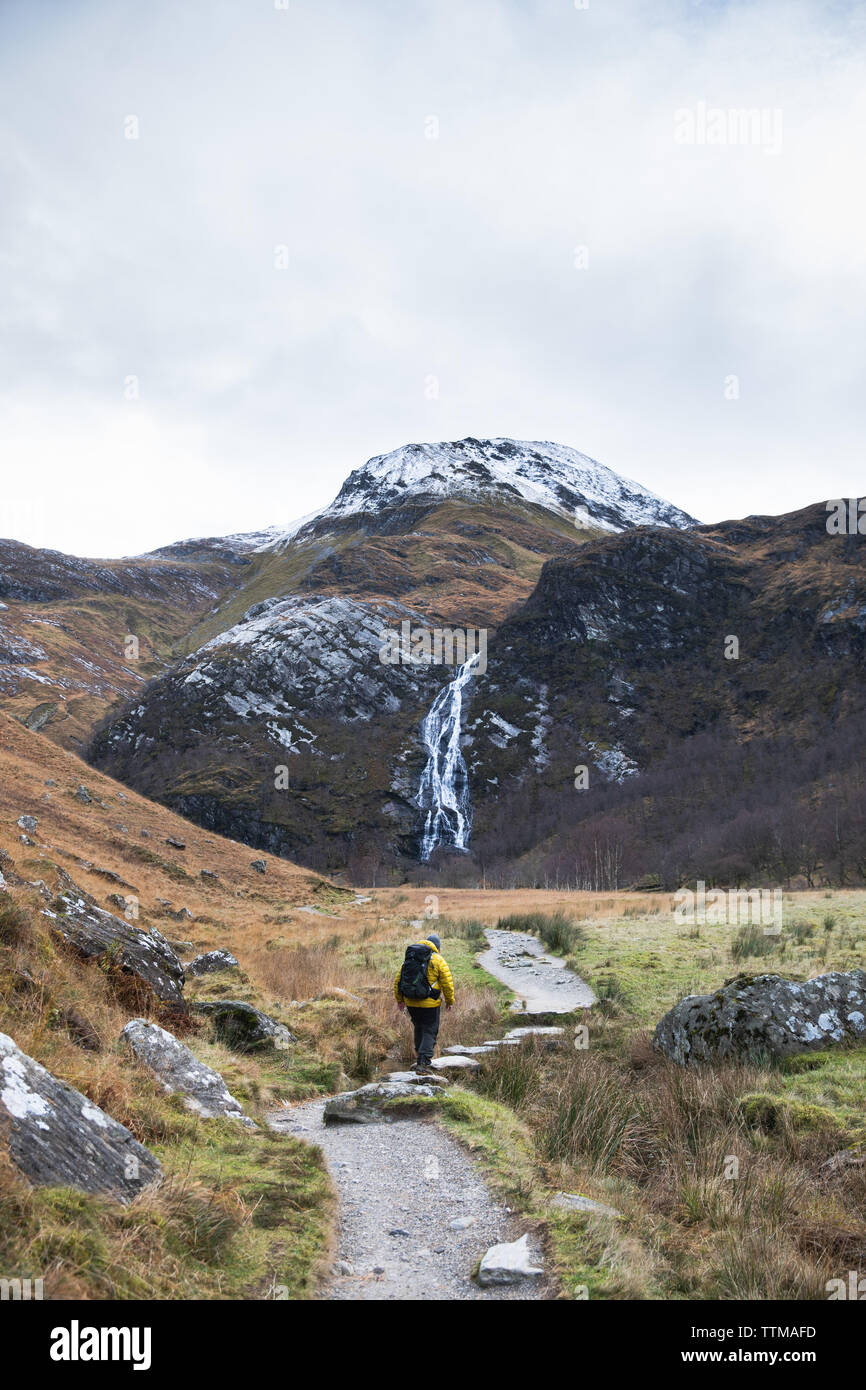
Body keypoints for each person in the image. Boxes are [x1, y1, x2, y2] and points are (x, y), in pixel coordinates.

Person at [393, 931, 455, 1073]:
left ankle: (419, 1056)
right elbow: (447, 983)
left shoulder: (411, 958)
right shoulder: (438, 959)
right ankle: (423, 1062)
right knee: (429, 1030)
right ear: (437, 947)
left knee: (419, 1027)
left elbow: (398, 980)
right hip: (430, 1004)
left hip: (411, 1002)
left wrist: (399, 1000)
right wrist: (450, 1001)